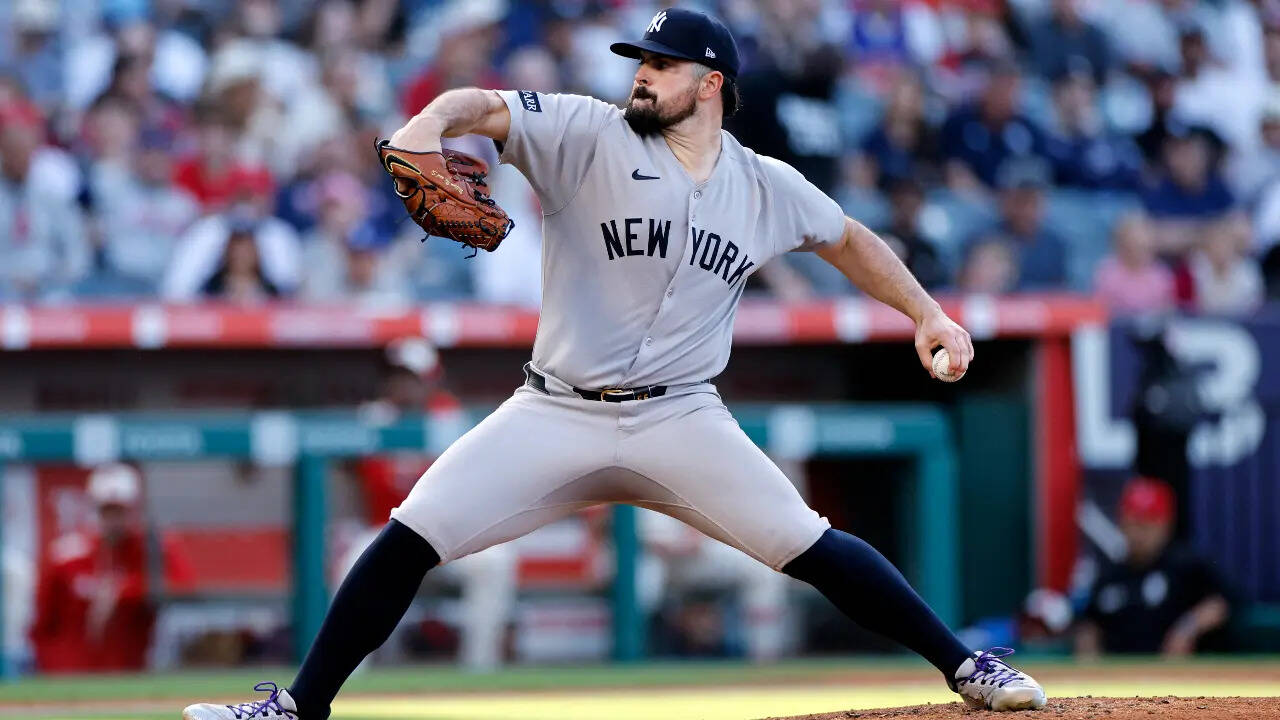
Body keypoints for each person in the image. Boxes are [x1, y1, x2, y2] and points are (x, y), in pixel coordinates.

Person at [183, 9, 1046, 718]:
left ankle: (968, 668)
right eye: (640, 58)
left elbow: (851, 242)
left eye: (663, 64)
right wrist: (425, 126)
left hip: (681, 417)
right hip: (555, 409)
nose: (642, 72)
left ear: (711, 85)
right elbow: (479, 104)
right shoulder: (587, 131)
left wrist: (928, 312)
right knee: (413, 534)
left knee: (809, 543)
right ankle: (299, 708)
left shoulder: (765, 184)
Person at [336, 338, 517, 671]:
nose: (402, 385)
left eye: (411, 377)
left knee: (495, 562)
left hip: (445, 540)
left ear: (431, 380)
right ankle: (345, 678)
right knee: (350, 563)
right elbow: (342, 466)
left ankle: (479, 673)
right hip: (385, 535)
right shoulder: (374, 417)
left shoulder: (450, 416)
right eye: (396, 376)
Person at [30, 464, 194, 673]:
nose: (114, 519)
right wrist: (53, 665)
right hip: (71, 669)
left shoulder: (153, 548)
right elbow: (42, 623)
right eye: (107, 510)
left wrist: (123, 590)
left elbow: (183, 585)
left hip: (130, 668)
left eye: (120, 510)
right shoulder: (65, 554)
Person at [1075, 477, 1229, 657]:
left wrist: (1187, 628)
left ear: (1166, 526)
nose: (1139, 534)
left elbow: (1220, 603)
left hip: (1172, 676)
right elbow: (1089, 626)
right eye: (1133, 523)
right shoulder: (1110, 574)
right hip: (1119, 677)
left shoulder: (1185, 565)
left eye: (1147, 525)